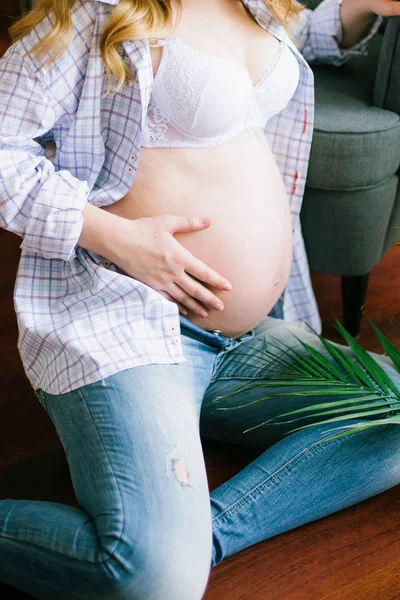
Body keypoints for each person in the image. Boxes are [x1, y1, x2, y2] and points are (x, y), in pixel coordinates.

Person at [1, 0, 400, 598]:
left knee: (392, 413)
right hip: (127, 322)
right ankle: (164, 558)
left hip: (242, 339)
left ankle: (198, 539)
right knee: (151, 582)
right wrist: (119, 238)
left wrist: (364, 9)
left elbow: (290, 37)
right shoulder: (98, 11)